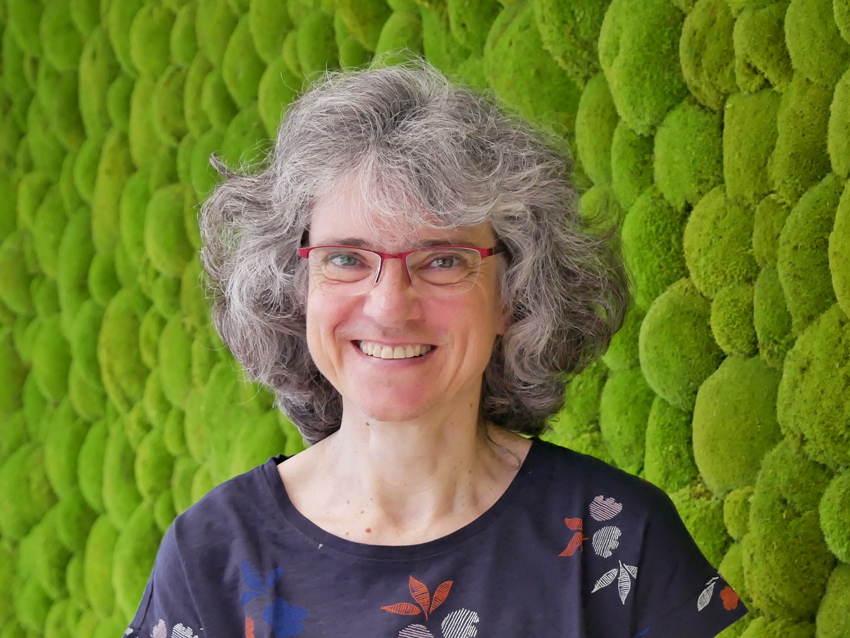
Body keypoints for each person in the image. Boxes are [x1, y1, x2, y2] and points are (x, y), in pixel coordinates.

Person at [125, 61, 747, 638]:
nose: (389, 307)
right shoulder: (209, 561)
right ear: (297, 288)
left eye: (443, 260)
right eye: (346, 258)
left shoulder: (619, 544)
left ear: (514, 293)